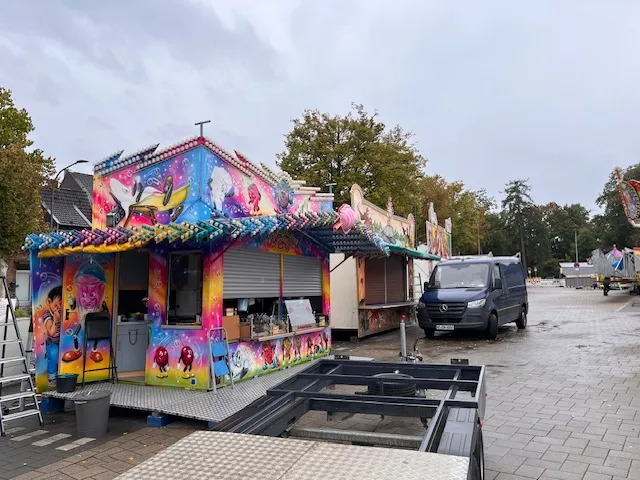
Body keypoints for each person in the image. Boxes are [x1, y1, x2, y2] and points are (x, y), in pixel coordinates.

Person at [41, 286, 62, 385]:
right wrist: (56, 321)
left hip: (63, 341)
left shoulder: (63, 312)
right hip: (52, 342)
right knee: (53, 355)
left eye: (61, 304)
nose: (59, 307)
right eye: (56, 305)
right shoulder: (47, 314)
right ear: (49, 302)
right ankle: (52, 377)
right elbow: (51, 332)